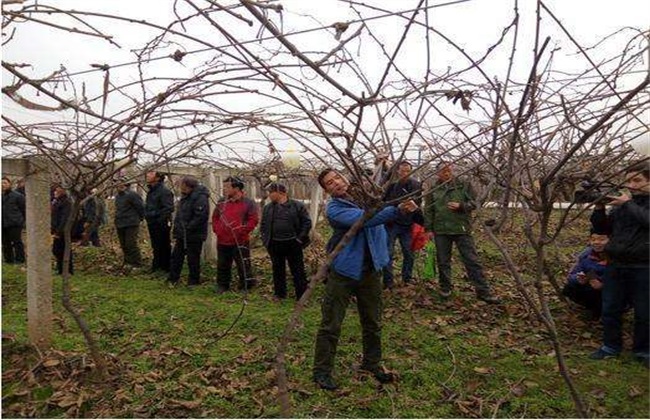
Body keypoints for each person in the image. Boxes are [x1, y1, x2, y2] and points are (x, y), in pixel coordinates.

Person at [312, 168, 418, 391]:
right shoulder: (335, 209)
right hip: (344, 272)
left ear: (347, 177)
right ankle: (322, 371)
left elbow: (386, 217)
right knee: (331, 324)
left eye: (338, 178)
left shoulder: (367, 198)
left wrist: (405, 210)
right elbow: (365, 220)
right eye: (330, 183)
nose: (337, 183)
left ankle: (372, 364)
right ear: (326, 190)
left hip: (372, 271)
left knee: (373, 322)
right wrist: (395, 209)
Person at [589, 160, 649, 366]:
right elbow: (602, 229)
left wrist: (627, 204)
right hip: (616, 264)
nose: (632, 185)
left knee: (645, 311)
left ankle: (643, 351)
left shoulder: (629, 204)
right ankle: (610, 346)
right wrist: (599, 206)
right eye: (628, 181)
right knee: (611, 307)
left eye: (637, 180)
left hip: (644, 266)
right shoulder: (624, 206)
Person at [424, 162, 500, 303]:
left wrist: (462, 206)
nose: (446, 173)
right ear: (437, 173)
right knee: (443, 261)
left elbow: (476, 202)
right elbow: (428, 210)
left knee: (472, 260)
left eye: (448, 170)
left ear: (452, 170)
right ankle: (445, 288)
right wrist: (428, 229)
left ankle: (483, 291)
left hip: (461, 229)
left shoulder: (463, 185)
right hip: (441, 230)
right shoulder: (434, 189)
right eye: (443, 171)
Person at [260, 182, 312, 301]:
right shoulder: (268, 208)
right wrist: (265, 240)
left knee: (297, 270)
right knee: (277, 269)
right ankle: (280, 294)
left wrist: (299, 239)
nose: (269, 195)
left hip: (293, 243)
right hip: (274, 244)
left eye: (271, 192)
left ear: (281, 193)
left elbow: (307, 223)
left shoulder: (297, 206)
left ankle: (302, 296)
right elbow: (263, 225)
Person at [212, 176, 259, 294]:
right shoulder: (222, 202)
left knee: (243, 264)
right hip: (223, 240)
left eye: (227, 186)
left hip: (240, 240)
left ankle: (246, 285)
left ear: (236, 188)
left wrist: (241, 231)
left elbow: (253, 220)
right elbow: (215, 217)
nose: (225, 189)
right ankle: (223, 285)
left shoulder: (248, 203)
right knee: (223, 264)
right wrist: (218, 230)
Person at [382, 160, 423, 289]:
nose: (405, 173)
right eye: (402, 171)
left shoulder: (417, 185)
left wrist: (414, 206)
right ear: (398, 172)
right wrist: (397, 206)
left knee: (409, 253)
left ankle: (407, 278)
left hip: (408, 224)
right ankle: (388, 282)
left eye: (408, 171)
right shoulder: (391, 186)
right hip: (392, 223)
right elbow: (384, 203)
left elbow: (418, 201)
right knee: (388, 253)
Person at [168, 176, 210, 287]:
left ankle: (193, 281)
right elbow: (181, 214)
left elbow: (200, 216)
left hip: (194, 234)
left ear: (187, 186)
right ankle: (173, 279)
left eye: (181, 184)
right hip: (182, 233)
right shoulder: (186, 197)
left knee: (193, 259)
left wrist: (188, 227)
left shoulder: (200, 197)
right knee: (176, 257)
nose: (180, 187)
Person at [562, 230, 608, 319]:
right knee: (570, 288)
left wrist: (603, 284)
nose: (596, 242)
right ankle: (592, 309)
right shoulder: (586, 255)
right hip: (592, 285)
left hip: (613, 291)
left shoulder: (619, 257)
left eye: (602, 239)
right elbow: (572, 275)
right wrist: (578, 278)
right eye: (593, 239)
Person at [145, 171, 174, 274]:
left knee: (163, 244)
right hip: (152, 222)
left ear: (157, 178)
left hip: (161, 223)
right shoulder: (151, 191)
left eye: (151, 173)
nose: (147, 175)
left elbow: (169, 208)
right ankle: (157, 266)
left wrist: (158, 218)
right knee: (155, 245)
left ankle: (165, 267)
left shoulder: (164, 191)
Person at [114, 180, 145, 268]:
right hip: (120, 223)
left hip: (131, 223)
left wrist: (141, 218)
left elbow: (141, 207)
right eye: (117, 184)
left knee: (131, 244)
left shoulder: (132, 195)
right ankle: (127, 262)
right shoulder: (118, 196)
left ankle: (137, 264)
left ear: (126, 184)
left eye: (121, 183)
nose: (118, 185)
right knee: (123, 244)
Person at [2, 177, 26, 264]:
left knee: (17, 242)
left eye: (5, 183)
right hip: (3, 223)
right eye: (1, 183)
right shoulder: (1, 196)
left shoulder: (18, 196)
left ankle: (20, 259)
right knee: (5, 243)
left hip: (15, 223)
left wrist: (21, 221)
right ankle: (9, 260)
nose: (2, 185)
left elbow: (23, 209)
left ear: (9, 184)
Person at [51, 185, 73, 275]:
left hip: (63, 231)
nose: (55, 192)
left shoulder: (67, 202)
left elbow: (64, 218)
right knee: (57, 250)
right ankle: (61, 269)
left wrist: (59, 231)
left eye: (57, 191)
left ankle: (67, 270)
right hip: (57, 229)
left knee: (62, 250)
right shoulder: (57, 201)